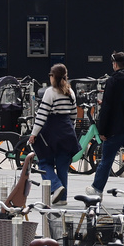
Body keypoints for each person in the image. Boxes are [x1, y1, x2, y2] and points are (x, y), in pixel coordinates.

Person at [91, 52, 124, 195]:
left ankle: (97, 189)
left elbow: (107, 107)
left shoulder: (112, 81)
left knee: (107, 160)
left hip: (115, 128)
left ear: (115, 64)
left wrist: (102, 130)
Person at [27, 63, 80, 203]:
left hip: (52, 132)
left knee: (44, 162)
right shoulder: (70, 92)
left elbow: (42, 115)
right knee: (63, 165)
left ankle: (56, 187)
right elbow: (74, 115)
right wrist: (70, 129)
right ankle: (62, 199)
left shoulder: (50, 92)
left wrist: (33, 134)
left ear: (53, 77)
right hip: (67, 131)